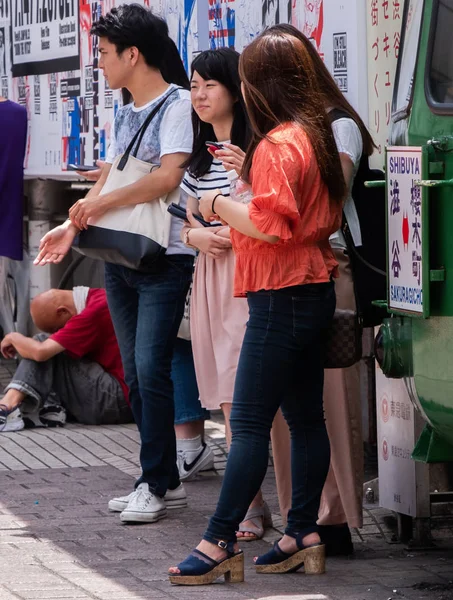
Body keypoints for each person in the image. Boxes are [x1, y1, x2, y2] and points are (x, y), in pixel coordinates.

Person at [168, 28, 345, 585]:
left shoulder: (278, 142)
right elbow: (297, 217)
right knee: (304, 418)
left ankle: (219, 541)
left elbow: (268, 228)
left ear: (260, 83)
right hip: (311, 288)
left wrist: (214, 200)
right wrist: (247, 178)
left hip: (278, 295)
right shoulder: (312, 135)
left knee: (245, 425)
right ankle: (300, 533)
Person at [34, 5, 195, 524]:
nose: (99, 62)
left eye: (104, 53)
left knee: (150, 368)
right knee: (135, 371)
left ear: (133, 53)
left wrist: (97, 207)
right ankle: (161, 479)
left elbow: (169, 177)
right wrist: (71, 225)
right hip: (119, 256)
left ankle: (154, 479)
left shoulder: (178, 104)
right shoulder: (124, 109)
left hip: (163, 257)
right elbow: (113, 173)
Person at [268, 23, 376, 556]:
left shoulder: (337, 126)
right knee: (289, 407)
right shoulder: (283, 131)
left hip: (331, 266)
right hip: (286, 270)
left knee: (331, 401)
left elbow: (328, 200)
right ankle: (300, 517)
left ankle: (333, 521)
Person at [180, 47, 273, 541]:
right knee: (223, 398)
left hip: (248, 276)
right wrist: (197, 237)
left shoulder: (256, 148)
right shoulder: (198, 158)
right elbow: (186, 226)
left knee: (241, 399)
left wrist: (244, 175)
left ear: (236, 90)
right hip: (210, 278)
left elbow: (267, 217)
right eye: (194, 86)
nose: (199, 95)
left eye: (208, 85)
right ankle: (252, 504)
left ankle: (248, 509)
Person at [0, 287, 132, 431]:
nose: (60, 332)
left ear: (63, 311)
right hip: (128, 399)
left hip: (117, 401)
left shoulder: (92, 314)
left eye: (58, 328)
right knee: (43, 346)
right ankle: (47, 410)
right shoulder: (100, 296)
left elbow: (40, 352)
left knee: (42, 343)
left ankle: (7, 407)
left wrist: (13, 337)